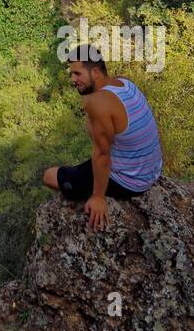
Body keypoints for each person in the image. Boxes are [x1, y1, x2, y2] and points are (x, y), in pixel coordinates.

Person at [43, 46, 163, 231]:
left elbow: (101, 154)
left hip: (131, 181)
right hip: (152, 170)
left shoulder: (98, 103)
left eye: (77, 73)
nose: (73, 80)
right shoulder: (124, 83)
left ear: (96, 72)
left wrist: (98, 197)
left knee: (50, 176)